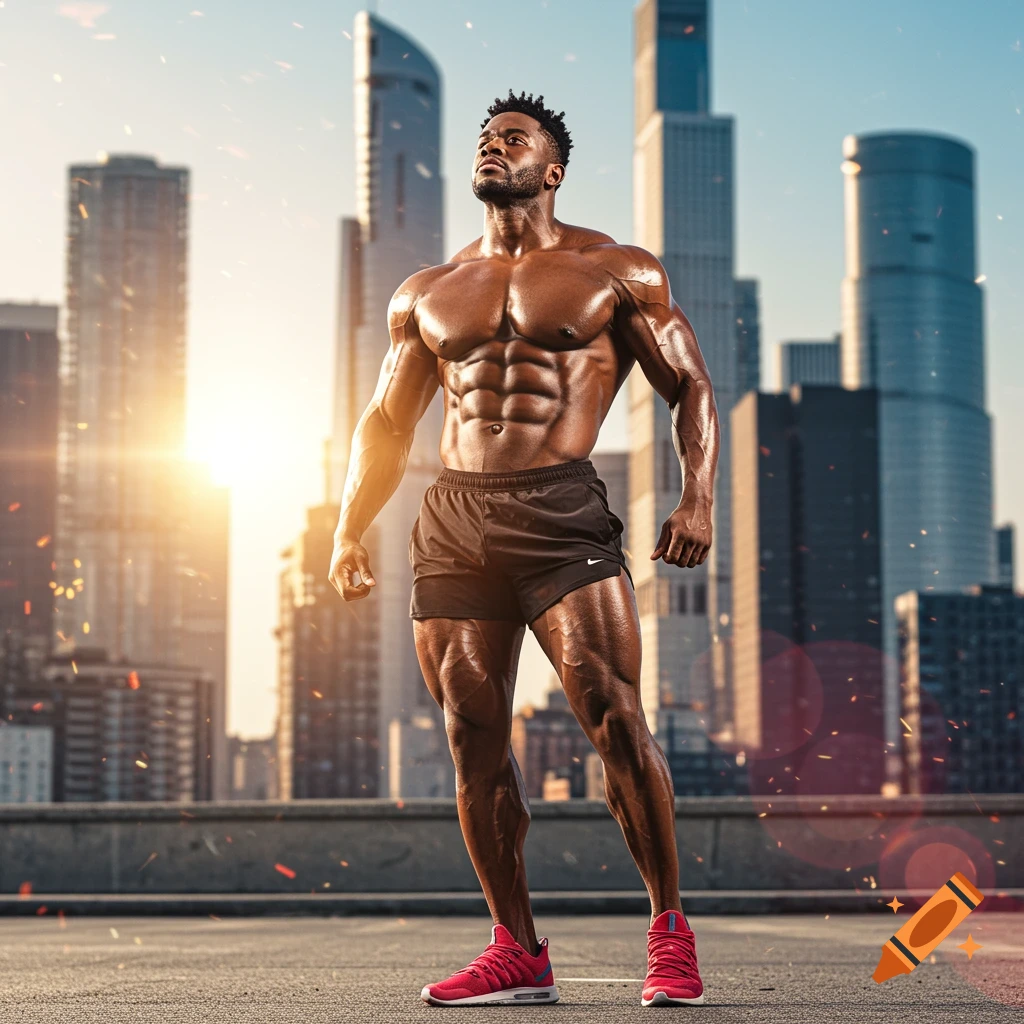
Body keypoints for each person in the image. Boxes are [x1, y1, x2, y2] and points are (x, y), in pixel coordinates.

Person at [329, 89, 719, 1009]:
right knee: (473, 739)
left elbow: (691, 388)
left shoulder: (615, 270)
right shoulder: (425, 291)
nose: (492, 147)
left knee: (611, 712)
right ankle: (518, 949)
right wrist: (347, 526)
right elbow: (386, 424)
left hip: (559, 508)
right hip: (455, 515)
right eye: (485, 138)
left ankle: (668, 932)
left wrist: (696, 497)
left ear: (552, 169)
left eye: (513, 138)